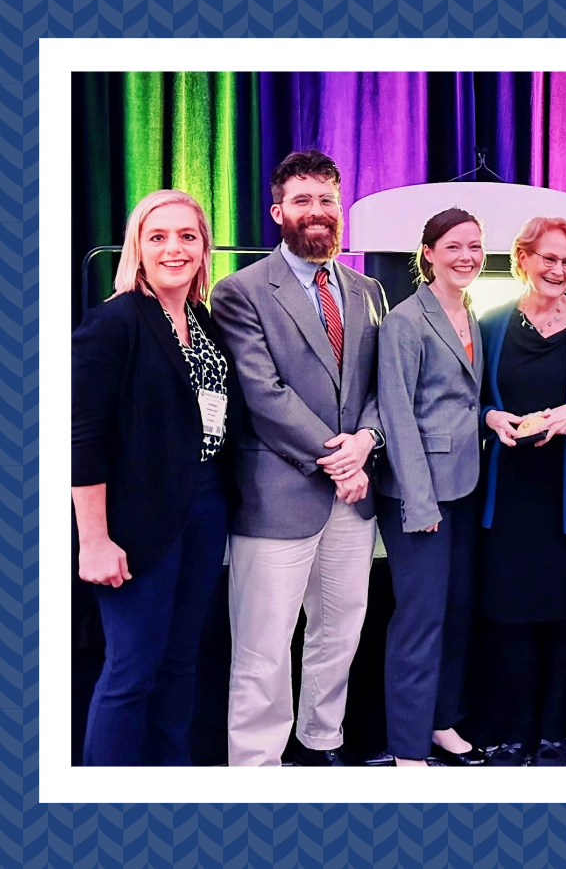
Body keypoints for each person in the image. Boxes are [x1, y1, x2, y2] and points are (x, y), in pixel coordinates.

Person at [211, 150, 388, 767]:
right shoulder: (239, 291)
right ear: (277, 210)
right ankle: (257, 771)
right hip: (276, 494)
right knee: (262, 649)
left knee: (339, 635)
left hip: (353, 498)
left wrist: (365, 442)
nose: (318, 213)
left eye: (327, 201)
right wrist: (339, 460)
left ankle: (321, 747)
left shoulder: (368, 291)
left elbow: (379, 389)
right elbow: (263, 394)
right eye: (304, 200)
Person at [72, 190, 242, 765]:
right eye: (159, 236)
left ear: (203, 248)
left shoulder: (200, 319)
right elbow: (82, 441)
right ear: (137, 248)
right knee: (132, 670)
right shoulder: (114, 322)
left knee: (180, 662)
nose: (175, 248)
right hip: (135, 517)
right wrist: (93, 540)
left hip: (203, 504)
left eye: (187, 237)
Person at [478, 216, 566, 766]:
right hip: (511, 495)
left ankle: (555, 733)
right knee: (512, 620)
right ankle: (516, 733)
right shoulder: (489, 322)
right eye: (549, 259)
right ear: (523, 260)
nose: (559, 270)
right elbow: (468, 401)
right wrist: (492, 416)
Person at [376, 208, 487, 768]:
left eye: (474, 246)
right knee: (419, 620)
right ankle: (407, 747)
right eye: (453, 247)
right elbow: (396, 414)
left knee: (458, 609)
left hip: (466, 488)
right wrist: (419, 503)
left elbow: (467, 401)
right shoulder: (405, 320)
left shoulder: (470, 310)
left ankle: (442, 721)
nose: (466, 257)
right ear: (428, 254)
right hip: (420, 497)